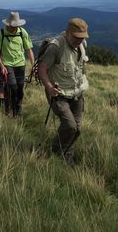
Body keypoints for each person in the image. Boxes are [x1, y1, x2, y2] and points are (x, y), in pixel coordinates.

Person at [38, 18, 90, 166]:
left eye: (82, 38)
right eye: (76, 37)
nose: (79, 41)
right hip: (58, 94)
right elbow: (42, 69)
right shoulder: (56, 47)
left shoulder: (81, 46)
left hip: (77, 93)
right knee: (70, 126)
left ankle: (67, 157)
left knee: (77, 129)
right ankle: (55, 151)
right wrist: (49, 87)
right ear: (67, 33)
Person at [0, 12, 34, 117]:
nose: (16, 28)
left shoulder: (22, 32)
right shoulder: (1, 34)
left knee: (20, 88)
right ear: (8, 24)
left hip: (21, 64)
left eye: (17, 26)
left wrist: (33, 65)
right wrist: (2, 66)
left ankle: (18, 107)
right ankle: (13, 111)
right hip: (7, 65)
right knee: (13, 87)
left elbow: (29, 50)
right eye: (14, 26)